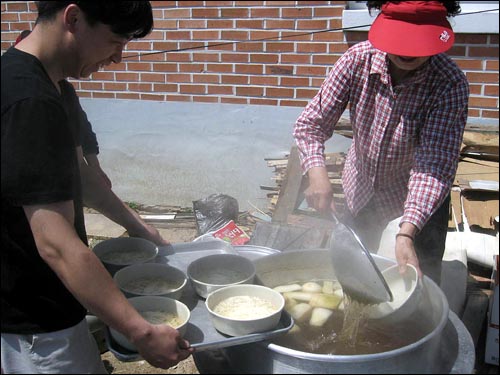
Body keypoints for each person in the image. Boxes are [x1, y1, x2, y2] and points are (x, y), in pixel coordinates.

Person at [1, 2, 194, 373]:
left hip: (50, 301)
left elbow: (82, 179)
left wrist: (144, 230)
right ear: (73, 18)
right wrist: (140, 331)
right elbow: (55, 243)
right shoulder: (29, 100)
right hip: (32, 322)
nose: (118, 58)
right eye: (115, 41)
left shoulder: (53, 87)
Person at [293, 1, 469, 285]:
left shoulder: (449, 83)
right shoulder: (357, 60)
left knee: (418, 280)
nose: (406, 51)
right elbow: (311, 124)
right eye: (400, 40)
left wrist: (406, 233)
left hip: (418, 201)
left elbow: (432, 166)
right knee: (354, 271)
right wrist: (316, 173)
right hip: (361, 190)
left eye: (416, 43)